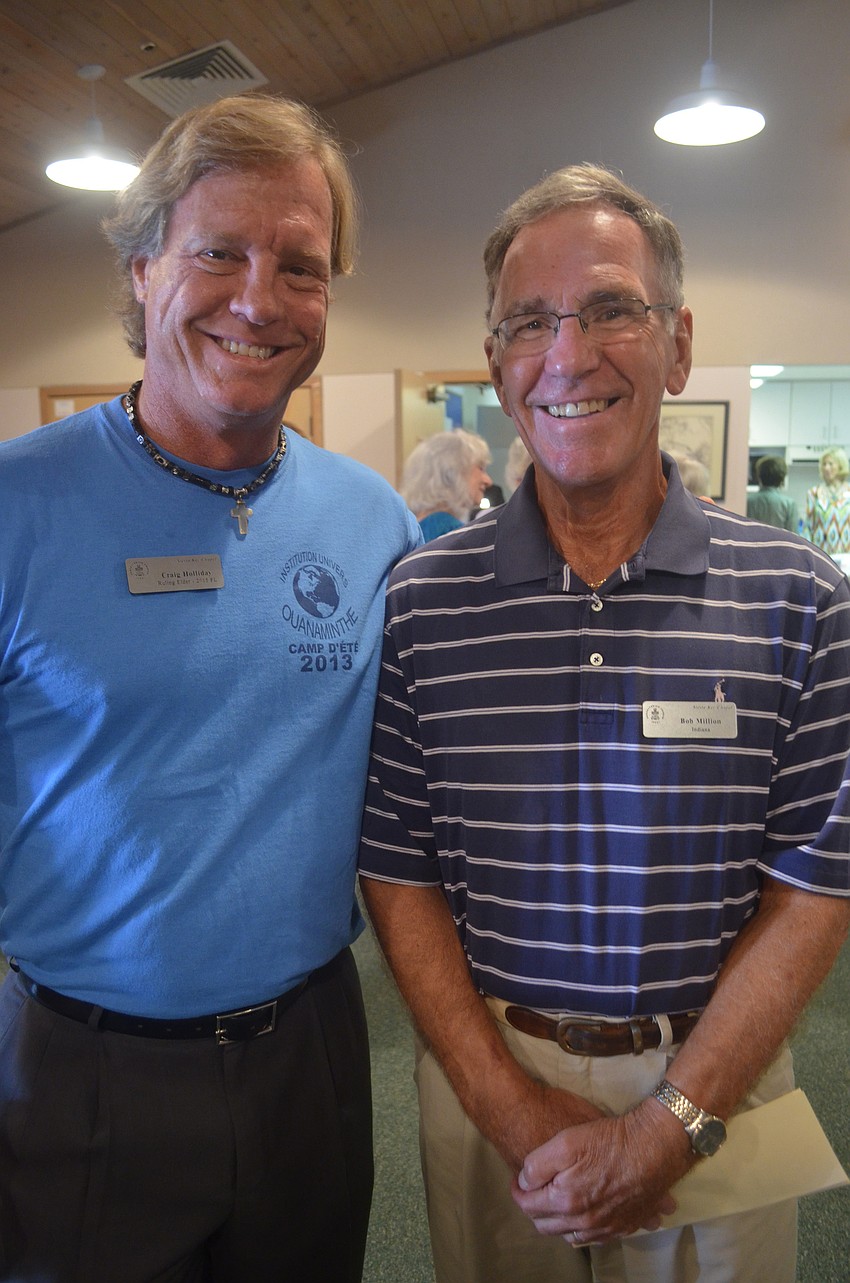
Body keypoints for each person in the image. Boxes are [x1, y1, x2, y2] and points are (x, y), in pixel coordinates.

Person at [358, 164, 850, 1283]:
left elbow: (813, 885)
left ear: (677, 344)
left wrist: (671, 1118)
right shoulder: (422, 602)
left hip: (715, 1089)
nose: (567, 354)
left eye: (610, 309)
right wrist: (511, 1104)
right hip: (488, 1085)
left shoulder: (797, 594)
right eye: (529, 321)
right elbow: (400, 874)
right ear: (495, 363)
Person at [0, 94, 421, 1282]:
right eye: (218, 253)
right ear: (141, 272)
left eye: (299, 264)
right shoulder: (16, 508)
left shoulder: (373, 521)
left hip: (316, 1052)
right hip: (81, 1071)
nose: (258, 297)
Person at [399, 427, 492, 540]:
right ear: (453, 471)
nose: (488, 481)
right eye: (481, 468)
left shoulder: (410, 530)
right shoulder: (452, 532)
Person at [802, 446, 850, 555]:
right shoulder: (814, 493)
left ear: (841, 465)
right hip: (821, 555)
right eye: (824, 464)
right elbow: (807, 528)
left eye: (830, 464)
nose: (826, 468)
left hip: (847, 557)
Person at [746, 454, 799, 531]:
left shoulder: (748, 502)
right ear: (782, 478)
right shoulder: (789, 504)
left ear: (759, 476)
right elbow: (793, 536)